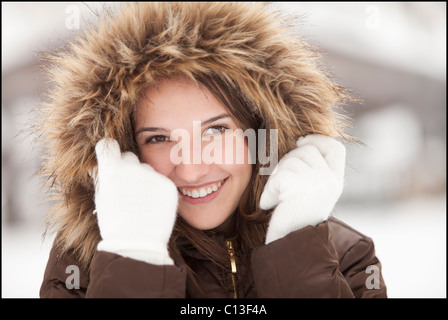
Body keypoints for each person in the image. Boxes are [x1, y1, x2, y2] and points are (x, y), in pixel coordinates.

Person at [38, 2, 386, 298]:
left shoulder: (344, 256)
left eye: (216, 130)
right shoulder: (84, 265)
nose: (190, 170)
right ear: (126, 150)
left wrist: (298, 251)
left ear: (262, 132)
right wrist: (133, 258)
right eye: (158, 138)